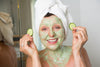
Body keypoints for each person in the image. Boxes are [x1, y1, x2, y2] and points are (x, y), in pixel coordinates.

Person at [20, 0, 91, 67]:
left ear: (64, 30)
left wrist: (77, 52)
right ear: (39, 33)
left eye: (57, 27)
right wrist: (34, 56)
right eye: (44, 29)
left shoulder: (81, 51)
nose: (51, 34)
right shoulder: (32, 58)